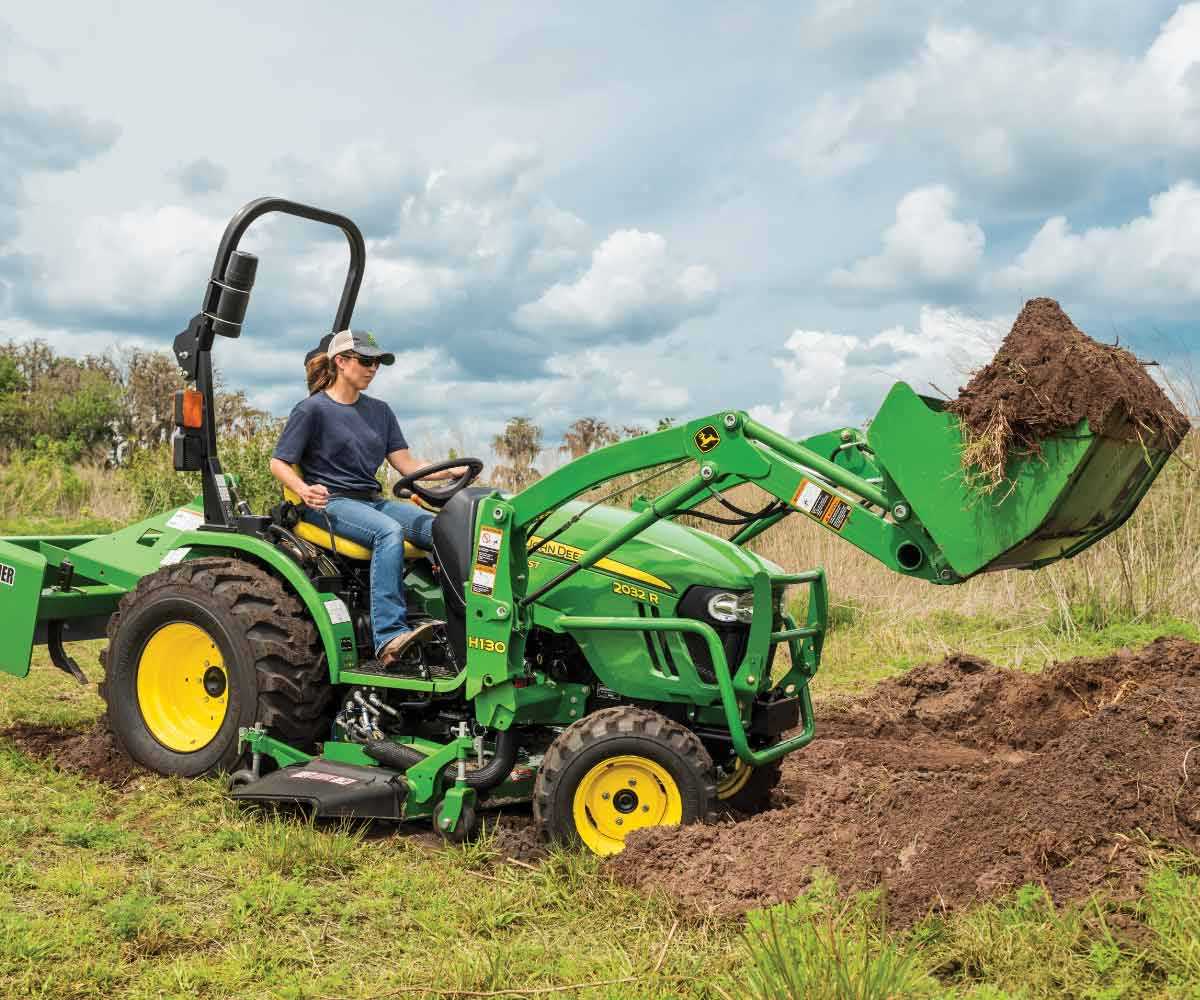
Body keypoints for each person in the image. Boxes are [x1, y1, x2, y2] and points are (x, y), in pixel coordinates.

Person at [271, 329, 459, 665]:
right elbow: (279, 461)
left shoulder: (380, 412)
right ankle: (389, 636)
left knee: (442, 528)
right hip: (329, 503)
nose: (373, 369)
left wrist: (449, 471)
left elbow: (407, 465)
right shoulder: (312, 410)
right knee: (388, 532)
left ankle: (462, 620)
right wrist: (302, 489)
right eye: (366, 361)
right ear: (341, 362)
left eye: (378, 363)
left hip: (371, 500)